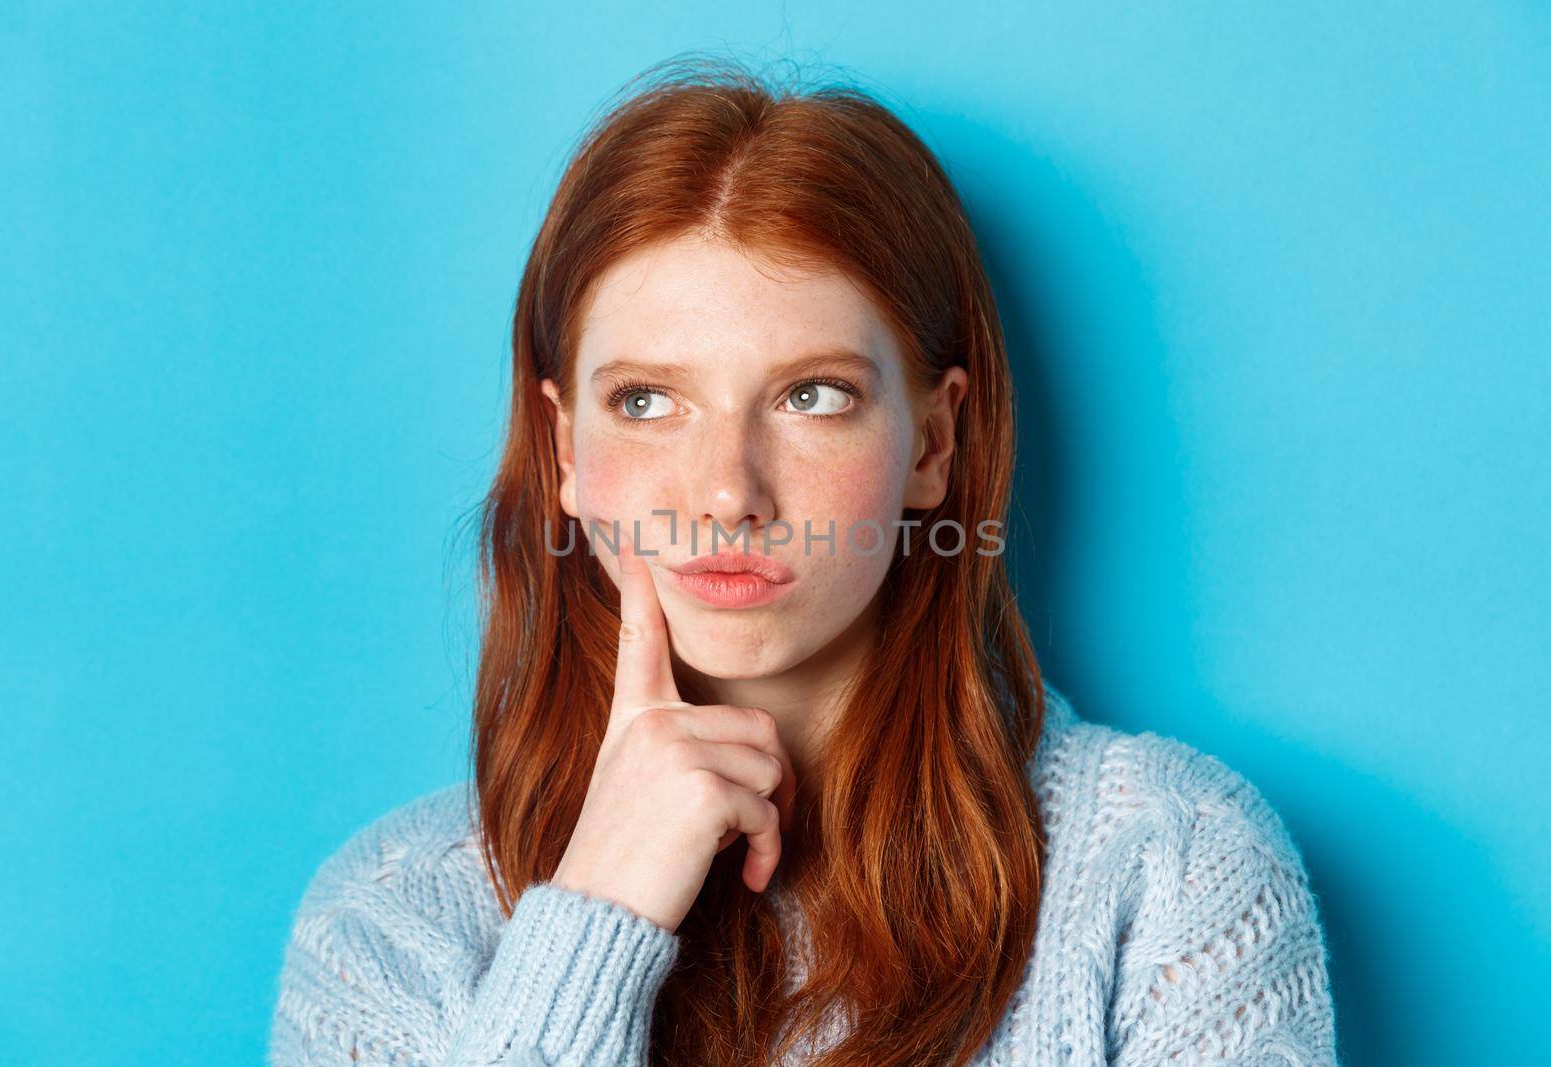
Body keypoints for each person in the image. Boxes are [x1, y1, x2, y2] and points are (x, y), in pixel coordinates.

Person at [268, 55, 1338, 1067]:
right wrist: (594, 918)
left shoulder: (1170, 867)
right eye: (646, 402)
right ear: (564, 452)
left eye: (810, 395)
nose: (728, 492)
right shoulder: (387, 921)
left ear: (932, 443)